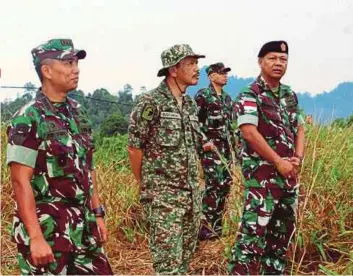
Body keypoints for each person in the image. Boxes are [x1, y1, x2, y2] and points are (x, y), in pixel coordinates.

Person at [6, 38, 113, 275]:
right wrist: (35, 237)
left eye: (76, 63)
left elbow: (88, 167)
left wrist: (98, 214)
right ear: (46, 71)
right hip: (49, 232)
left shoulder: (78, 112)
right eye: (68, 63)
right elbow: (20, 181)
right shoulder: (28, 118)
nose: (76, 69)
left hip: (84, 228)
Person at [128, 44, 213, 274]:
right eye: (191, 64)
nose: (197, 69)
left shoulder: (190, 105)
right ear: (173, 70)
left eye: (197, 63)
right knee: (168, 267)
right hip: (164, 199)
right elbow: (135, 148)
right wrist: (146, 186)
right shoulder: (151, 103)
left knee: (184, 263)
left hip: (192, 197)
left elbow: (191, 149)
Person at [228, 40, 305, 275]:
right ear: (261, 62)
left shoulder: (289, 95)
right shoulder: (250, 94)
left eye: (283, 59)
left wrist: (297, 158)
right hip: (262, 181)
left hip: (288, 179)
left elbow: (300, 127)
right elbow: (249, 133)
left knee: (281, 239)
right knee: (251, 239)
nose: (278, 63)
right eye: (273, 58)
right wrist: (278, 161)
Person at [194, 62, 236, 240]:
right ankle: (205, 226)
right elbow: (193, 122)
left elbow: (230, 126)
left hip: (225, 151)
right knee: (213, 186)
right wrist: (203, 143)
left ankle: (217, 226)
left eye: (226, 73)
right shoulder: (203, 95)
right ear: (211, 76)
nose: (225, 75)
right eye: (221, 73)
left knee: (225, 185)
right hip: (210, 151)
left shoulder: (226, 99)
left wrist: (235, 147)